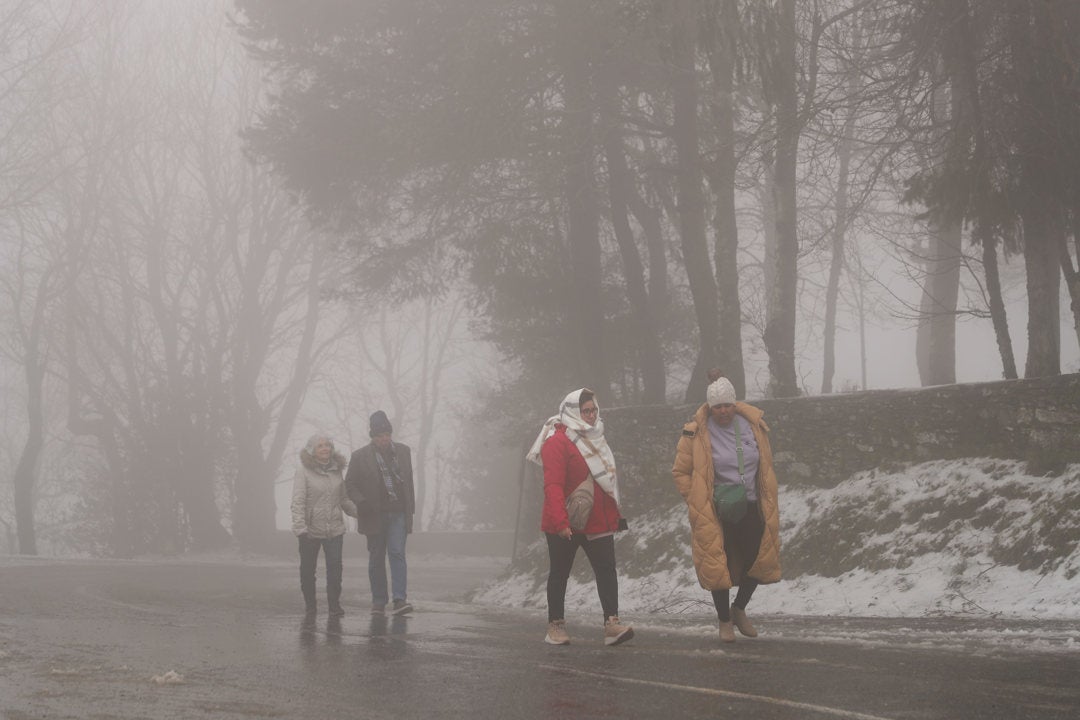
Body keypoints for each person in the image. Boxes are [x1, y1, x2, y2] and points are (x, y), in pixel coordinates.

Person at [671, 376, 781, 643]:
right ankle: (724, 620)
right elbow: (680, 472)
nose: (723, 411)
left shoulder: (754, 427)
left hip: (752, 505)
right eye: (717, 406)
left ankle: (739, 608)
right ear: (710, 407)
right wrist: (696, 499)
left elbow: (764, 463)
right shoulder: (696, 432)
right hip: (714, 509)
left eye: (727, 405)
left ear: (735, 404)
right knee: (716, 564)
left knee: (758, 558)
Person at [526, 388, 634, 647]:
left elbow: (605, 480)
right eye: (585, 411)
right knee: (560, 573)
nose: (591, 415)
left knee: (606, 570)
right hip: (565, 521)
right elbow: (552, 486)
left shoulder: (598, 437)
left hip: (597, 519)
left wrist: (614, 514)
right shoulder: (557, 441)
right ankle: (556, 625)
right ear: (573, 411)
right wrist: (561, 523)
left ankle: (612, 623)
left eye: (593, 410)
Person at [345, 410, 416, 616]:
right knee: (376, 557)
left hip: (398, 513)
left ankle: (400, 600)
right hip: (373, 515)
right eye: (379, 436)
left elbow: (408, 482)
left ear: (390, 434)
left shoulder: (403, 451)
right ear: (372, 437)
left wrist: (410, 509)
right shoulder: (359, 456)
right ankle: (378, 601)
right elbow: (350, 484)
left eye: (386, 435)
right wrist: (361, 502)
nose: (384, 439)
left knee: (397, 553)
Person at [291, 434, 356, 617]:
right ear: (312, 450)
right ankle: (310, 606)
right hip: (310, 530)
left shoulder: (337, 470)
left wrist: (362, 514)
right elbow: (298, 501)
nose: (325, 448)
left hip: (335, 529)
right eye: (320, 446)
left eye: (328, 445)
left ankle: (334, 605)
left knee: (335, 569)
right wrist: (300, 528)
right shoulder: (303, 471)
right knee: (307, 571)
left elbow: (343, 499)